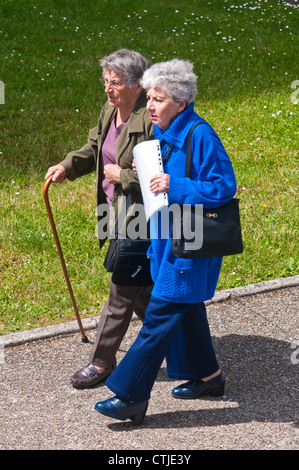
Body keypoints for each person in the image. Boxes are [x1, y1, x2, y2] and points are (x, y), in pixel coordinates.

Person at [94, 59, 237, 425]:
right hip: (166, 240)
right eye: (150, 98)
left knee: (158, 319)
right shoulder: (163, 133)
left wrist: (177, 185)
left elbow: (224, 187)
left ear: (181, 102)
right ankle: (209, 378)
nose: (150, 107)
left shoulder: (200, 135)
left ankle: (129, 396)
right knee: (188, 311)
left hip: (190, 246)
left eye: (158, 100)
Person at [45, 49, 153, 389]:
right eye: (106, 81)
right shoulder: (111, 109)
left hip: (142, 217)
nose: (108, 89)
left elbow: (165, 172)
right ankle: (176, 340)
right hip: (114, 211)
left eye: (116, 82)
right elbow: (95, 147)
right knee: (142, 288)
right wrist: (67, 165)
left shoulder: (152, 117)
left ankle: (101, 362)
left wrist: (121, 175)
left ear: (137, 85)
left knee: (122, 289)